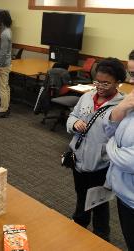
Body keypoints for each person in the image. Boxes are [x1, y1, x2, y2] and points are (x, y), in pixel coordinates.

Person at [66, 58, 126, 241]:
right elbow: (72, 116)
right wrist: (74, 123)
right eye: (97, 81)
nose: (100, 86)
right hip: (79, 160)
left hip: (102, 165)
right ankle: (78, 225)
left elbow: (122, 140)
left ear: (117, 82)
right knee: (81, 196)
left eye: (106, 83)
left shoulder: (122, 107)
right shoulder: (86, 97)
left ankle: (101, 236)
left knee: (99, 204)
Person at [104, 89, 134, 250]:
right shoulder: (131, 101)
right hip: (124, 194)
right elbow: (108, 129)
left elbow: (129, 162)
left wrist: (111, 145)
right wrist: (121, 108)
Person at [0, 10, 12, 119]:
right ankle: (6, 106)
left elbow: (3, 52)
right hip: (7, 63)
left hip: (3, 65)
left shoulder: (4, 34)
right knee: (6, 87)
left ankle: (3, 109)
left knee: (2, 88)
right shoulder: (7, 31)